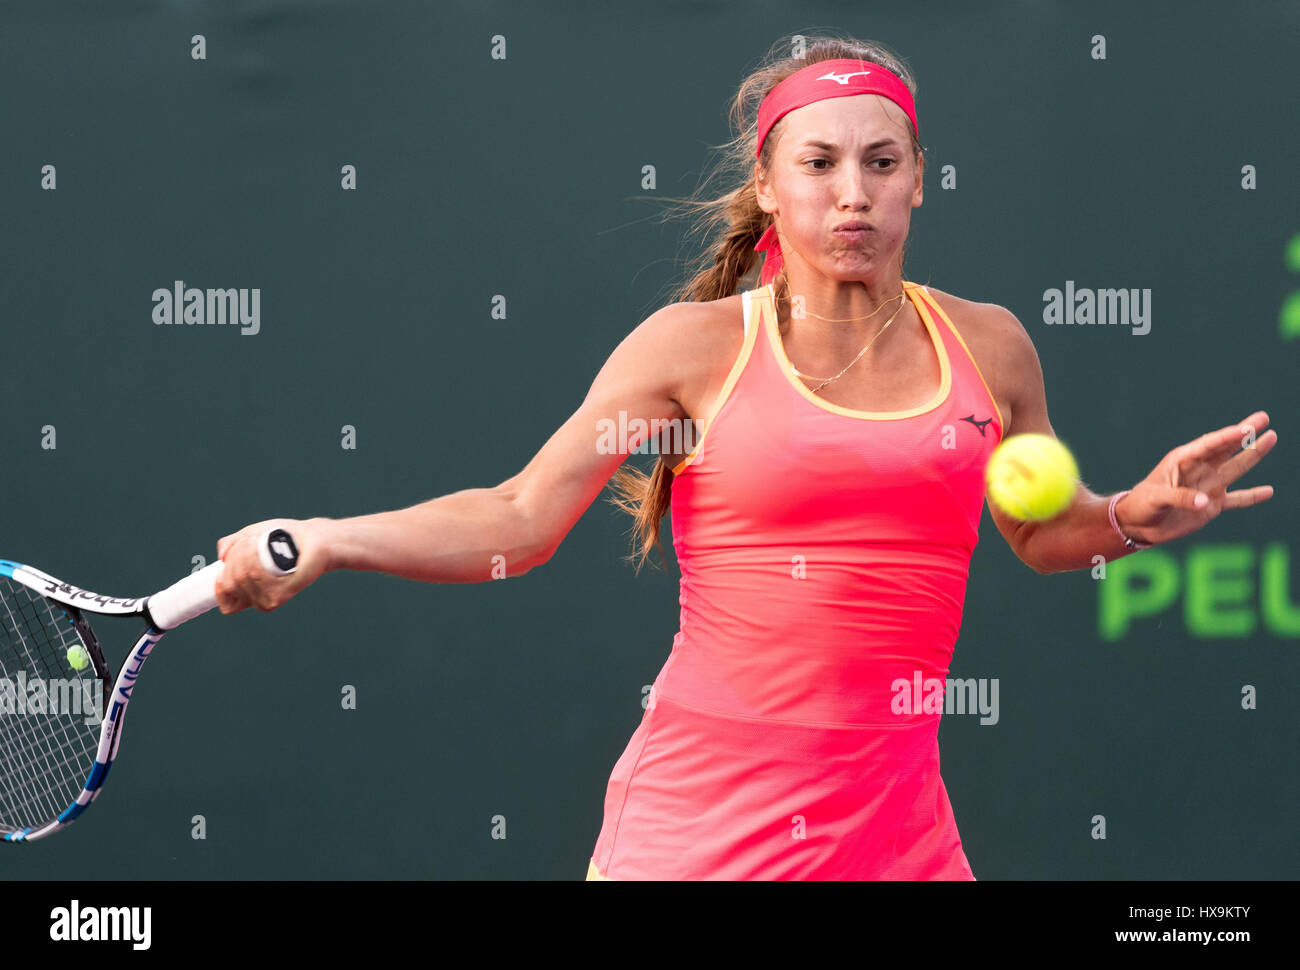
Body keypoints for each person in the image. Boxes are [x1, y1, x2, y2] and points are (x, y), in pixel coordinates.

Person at [214, 36, 1277, 880]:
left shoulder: (991, 347)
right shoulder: (692, 348)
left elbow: (1041, 534)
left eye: (881, 162)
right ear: (768, 185)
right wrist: (330, 539)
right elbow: (517, 517)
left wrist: (1132, 514)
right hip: (699, 837)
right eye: (818, 164)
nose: (852, 192)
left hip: (900, 837)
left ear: (920, 180)